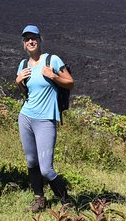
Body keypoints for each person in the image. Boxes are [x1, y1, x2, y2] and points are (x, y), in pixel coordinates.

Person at [15, 25, 74, 212]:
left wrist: (53, 75)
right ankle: (39, 199)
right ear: (24, 44)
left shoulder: (52, 60)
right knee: (31, 161)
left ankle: (66, 201)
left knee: (46, 168)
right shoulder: (23, 65)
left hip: (46, 120)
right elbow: (27, 92)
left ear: (40, 40)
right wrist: (18, 83)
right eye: (27, 39)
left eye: (34, 38)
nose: (31, 42)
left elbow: (70, 83)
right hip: (26, 117)